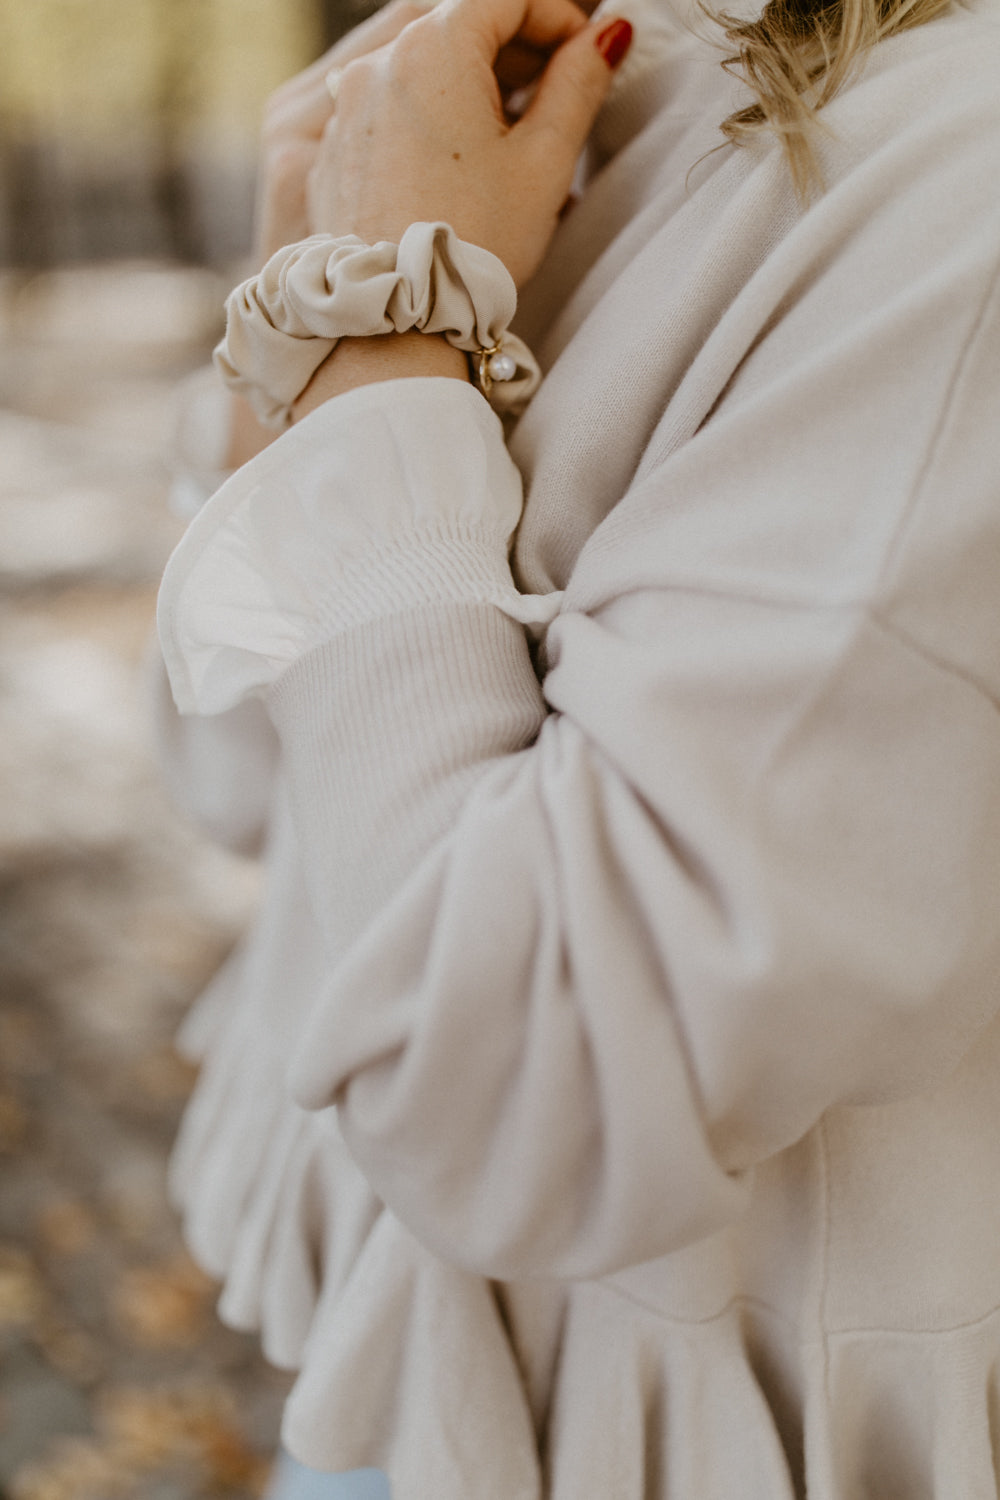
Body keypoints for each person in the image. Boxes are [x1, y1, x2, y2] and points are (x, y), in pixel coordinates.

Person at [153, 0, 1000, 1489]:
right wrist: (308, 300)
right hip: (411, 1388)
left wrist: (371, 336)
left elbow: (516, 1094)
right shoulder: (578, 67)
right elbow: (242, 786)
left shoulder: (955, 198)